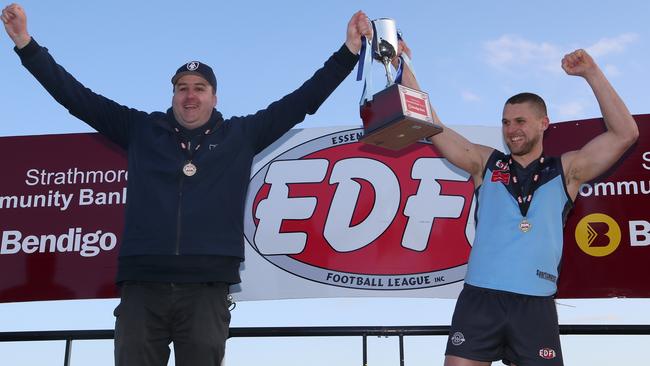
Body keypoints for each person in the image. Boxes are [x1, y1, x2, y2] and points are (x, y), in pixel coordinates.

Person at [2, 3, 372, 366]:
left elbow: (302, 101)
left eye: (199, 88)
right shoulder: (140, 129)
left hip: (206, 291)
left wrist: (348, 52)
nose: (190, 95)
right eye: (182, 87)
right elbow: (75, 97)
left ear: (214, 96)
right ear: (173, 95)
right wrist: (25, 44)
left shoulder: (241, 135)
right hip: (142, 288)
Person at [397, 41, 638, 365]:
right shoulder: (486, 163)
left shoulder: (566, 170)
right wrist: (401, 66)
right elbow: (432, 124)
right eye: (506, 122)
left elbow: (626, 133)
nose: (512, 130)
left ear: (543, 123)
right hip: (480, 299)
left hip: (535, 306)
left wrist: (591, 73)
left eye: (521, 121)